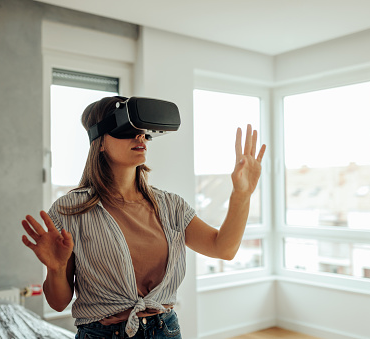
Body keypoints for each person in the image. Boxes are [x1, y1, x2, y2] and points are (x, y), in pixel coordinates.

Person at [21, 96, 266, 339]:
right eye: (127, 129)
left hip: (166, 330)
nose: (139, 137)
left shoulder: (171, 206)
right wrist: (57, 268)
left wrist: (241, 195)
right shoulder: (71, 210)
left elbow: (223, 248)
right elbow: (58, 302)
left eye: (143, 131)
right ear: (100, 142)